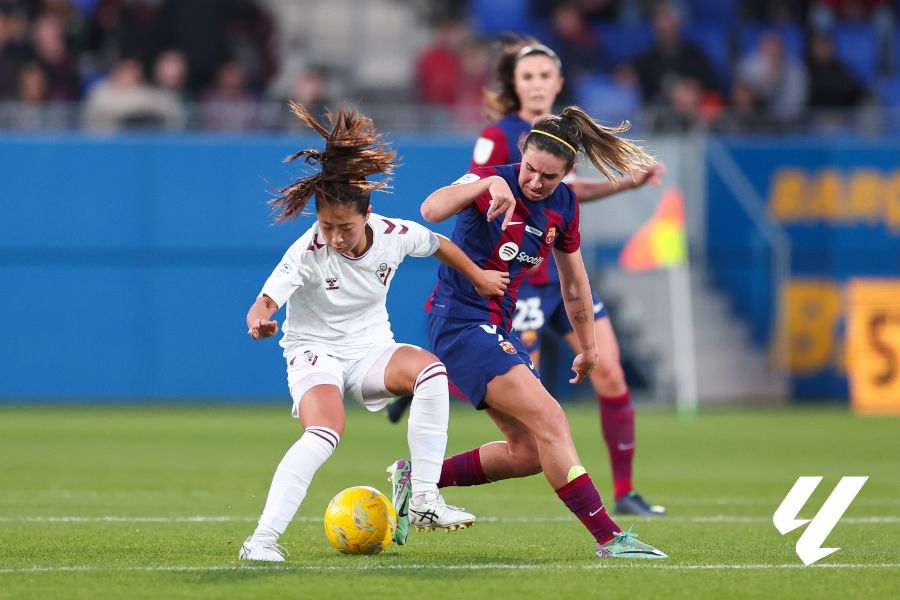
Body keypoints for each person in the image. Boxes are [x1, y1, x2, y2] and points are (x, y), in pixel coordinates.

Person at [388, 38, 666, 518]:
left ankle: (625, 491)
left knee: (578, 401)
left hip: (531, 285)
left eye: (544, 76)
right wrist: (490, 182)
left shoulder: (562, 164)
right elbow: (443, 205)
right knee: (541, 415)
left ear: (558, 84)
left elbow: (573, 264)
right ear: (515, 85)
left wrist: (626, 183)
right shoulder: (500, 139)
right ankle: (607, 534)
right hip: (503, 293)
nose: (535, 182)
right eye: (527, 76)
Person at [238, 102, 510, 562]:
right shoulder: (307, 251)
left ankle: (423, 498)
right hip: (314, 352)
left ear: (367, 216)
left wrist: (479, 277)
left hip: (370, 350)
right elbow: (263, 303)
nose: (336, 237)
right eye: (326, 226)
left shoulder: (393, 233)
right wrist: (260, 324)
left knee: (431, 372)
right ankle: (261, 540)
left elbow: (439, 242)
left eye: (344, 226)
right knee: (325, 433)